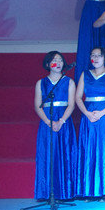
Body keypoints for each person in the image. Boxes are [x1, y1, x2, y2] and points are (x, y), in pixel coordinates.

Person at [75, 46, 105, 200]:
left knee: (104, 150)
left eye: (98, 56)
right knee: (89, 149)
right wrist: (86, 113)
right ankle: (88, 190)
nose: (95, 58)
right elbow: (77, 97)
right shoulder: (85, 74)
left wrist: (101, 113)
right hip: (88, 116)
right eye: (93, 55)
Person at [34, 51, 77, 201]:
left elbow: (71, 105)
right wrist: (48, 122)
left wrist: (61, 121)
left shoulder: (69, 82)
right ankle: (46, 193)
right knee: (48, 155)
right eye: (54, 60)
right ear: (48, 64)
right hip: (47, 121)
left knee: (64, 154)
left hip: (63, 122)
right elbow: (38, 106)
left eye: (60, 60)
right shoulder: (41, 83)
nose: (58, 63)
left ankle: (64, 192)